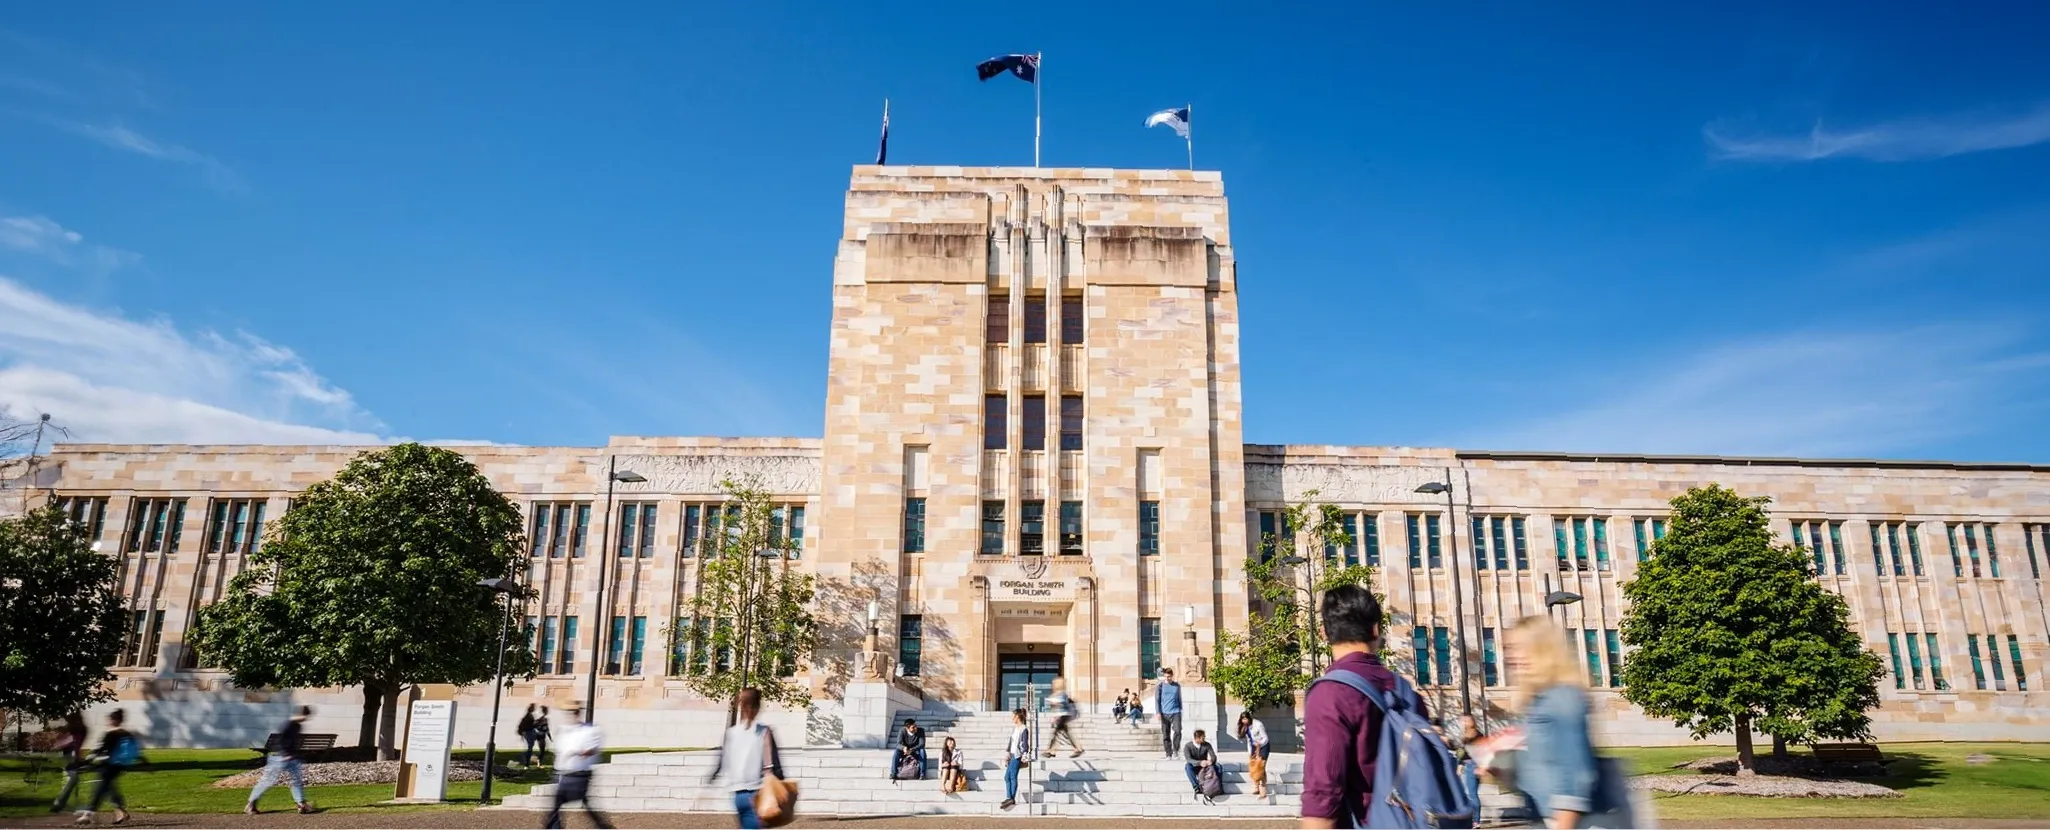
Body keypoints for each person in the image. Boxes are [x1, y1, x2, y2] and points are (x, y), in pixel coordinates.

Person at [1300, 584, 1424, 829]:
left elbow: (1323, 793)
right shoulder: (1405, 691)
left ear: (1324, 632)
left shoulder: (1330, 693)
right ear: (1375, 629)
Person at [1507, 615, 1630, 829]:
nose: (1509, 657)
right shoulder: (1540, 700)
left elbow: (1577, 773)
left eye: (1516, 647)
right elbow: (1545, 766)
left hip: (1569, 822)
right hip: (1545, 817)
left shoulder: (1562, 697)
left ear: (1539, 649)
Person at [708, 688, 784, 830]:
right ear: (757, 707)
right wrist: (781, 786)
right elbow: (775, 764)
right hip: (757, 793)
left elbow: (721, 762)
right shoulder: (764, 732)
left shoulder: (731, 733)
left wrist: (712, 777)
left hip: (738, 795)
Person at [545, 704, 613, 830]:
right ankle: (602, 826)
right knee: (559, 806)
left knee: (558, 805)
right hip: (565, 773)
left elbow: (592, 750)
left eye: (573, 713)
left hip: (579, 774)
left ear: (577, 714)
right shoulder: (564, 730)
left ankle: (602, 826)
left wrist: (578, 752)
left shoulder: (589, 730)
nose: (570, 716)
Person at [246, 706, 315, 814]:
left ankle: (301, 804)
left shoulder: (297, 726)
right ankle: (251, 804)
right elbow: (280, 741)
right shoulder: (288, 725)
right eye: (305, 715)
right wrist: (285, 754)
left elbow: (293, 743)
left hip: (291, 758)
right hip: (280, 758)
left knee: (296, 781)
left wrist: (295, 755)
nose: (305, 718)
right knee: (267, 781)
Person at [76, 708, 140, 826]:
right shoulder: (127, 734)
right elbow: (136, 752)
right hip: (121, 765)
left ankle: (87, 815)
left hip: (109, 765)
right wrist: (145, 763)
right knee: (108, 786)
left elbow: (98, 750)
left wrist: (86, 762)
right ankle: (121, 811)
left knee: (100, 788)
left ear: (113, 720)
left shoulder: (111, 734)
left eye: (109, 720)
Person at [50, 712, 89, 813]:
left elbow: (78, 744)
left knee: (72, 780)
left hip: (71, 756)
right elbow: (64, 744)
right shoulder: (75, 730)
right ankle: (60, 804)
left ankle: (64, 804)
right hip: (70, 756)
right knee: (72, 779)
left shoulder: (78, 730)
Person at [1042, 677, 1083, 758]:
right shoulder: (1058, 694)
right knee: (1062, 733)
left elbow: (1062, 703)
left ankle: (1051, 750)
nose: (1052, 685)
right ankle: (1077, 749)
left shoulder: (1062, 693)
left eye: (1054, 683)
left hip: (1065, 715)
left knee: (1056, 733)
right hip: (1062, 716)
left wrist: (1054, 702)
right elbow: (1055, 707)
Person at [1236, 711, 1271, 798]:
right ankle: (1256, 786)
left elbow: (1265, 738)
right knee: (1254, 767)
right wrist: (1250, 752)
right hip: (1253, 747)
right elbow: (1249, 740)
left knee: (1260, 766)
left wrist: (1259, 745)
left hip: (1263, 746)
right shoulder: (1245, 727)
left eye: (1245, 719)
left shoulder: (1258, 724)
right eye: (1242, 719)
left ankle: (1263, 788)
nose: (1244, 721)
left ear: (1249, 718)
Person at [1000, 708, 1028, 811]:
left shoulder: (1023, 729)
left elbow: (1025, 743)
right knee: (1007, 777)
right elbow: (1011, 742)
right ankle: (1009, 798)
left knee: (1012, 776)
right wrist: (1007, 753)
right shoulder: (1015, 728)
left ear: (1017, 716)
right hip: (1012, 755)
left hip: (1017, 756)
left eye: (1013, 716)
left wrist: (1025, 754)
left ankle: (1011, 798)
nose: (1012, 718)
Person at [1456, 714, 1485, 814]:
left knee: (1472, 794)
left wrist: (1460, 765)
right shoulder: (1474, 734)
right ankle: (1474, 819)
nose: (1462, 723)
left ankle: (1475, 820)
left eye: (1464, 721)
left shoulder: (1471, 735)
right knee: (1471, 794)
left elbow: (1464, 752)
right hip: (1473, 765)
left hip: (1472, 765)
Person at [1183, 729, 1218, 806]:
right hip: (1195, 766)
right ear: (1197, 738)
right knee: (1187, 766)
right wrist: (1200, 763)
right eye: (1202, 737)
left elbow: (1213, 756)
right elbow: (1188, 759)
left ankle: (1217, 785)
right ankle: (1196, 787)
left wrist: (1211, 761)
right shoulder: (1188, 746)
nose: (1204, 739)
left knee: (1218, 767)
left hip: (1205, 767)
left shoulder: (1207, 745)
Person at [1155, 667, 1183, 758]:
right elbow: (1157, 700)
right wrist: (1158, 712)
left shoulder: (1177, 686)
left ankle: (1175, 750)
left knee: (1178, 731)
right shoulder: (1160, 686)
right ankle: (1168, 753)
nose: (1168, 678)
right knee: (1165, 734)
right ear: (1164, 676)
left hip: (1176, 712)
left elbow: (1179, 698)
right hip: (1164, 713)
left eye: (1170, 676)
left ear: (1172, 676)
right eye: (1166, 676)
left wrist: (1181, 709)